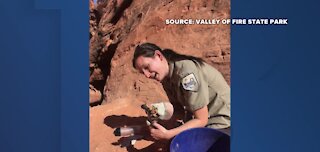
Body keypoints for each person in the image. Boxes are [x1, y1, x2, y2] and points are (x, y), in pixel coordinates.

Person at [132, 42, 230, 140]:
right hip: (207, 120)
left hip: (224, 121)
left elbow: (201, 120)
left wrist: (168, 134)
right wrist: (159, 121)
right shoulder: (166, 76)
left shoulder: (186, 74)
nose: (147, 75)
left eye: (147, 67)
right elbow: (179, 110)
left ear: (158, 56)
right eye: (142, 72)